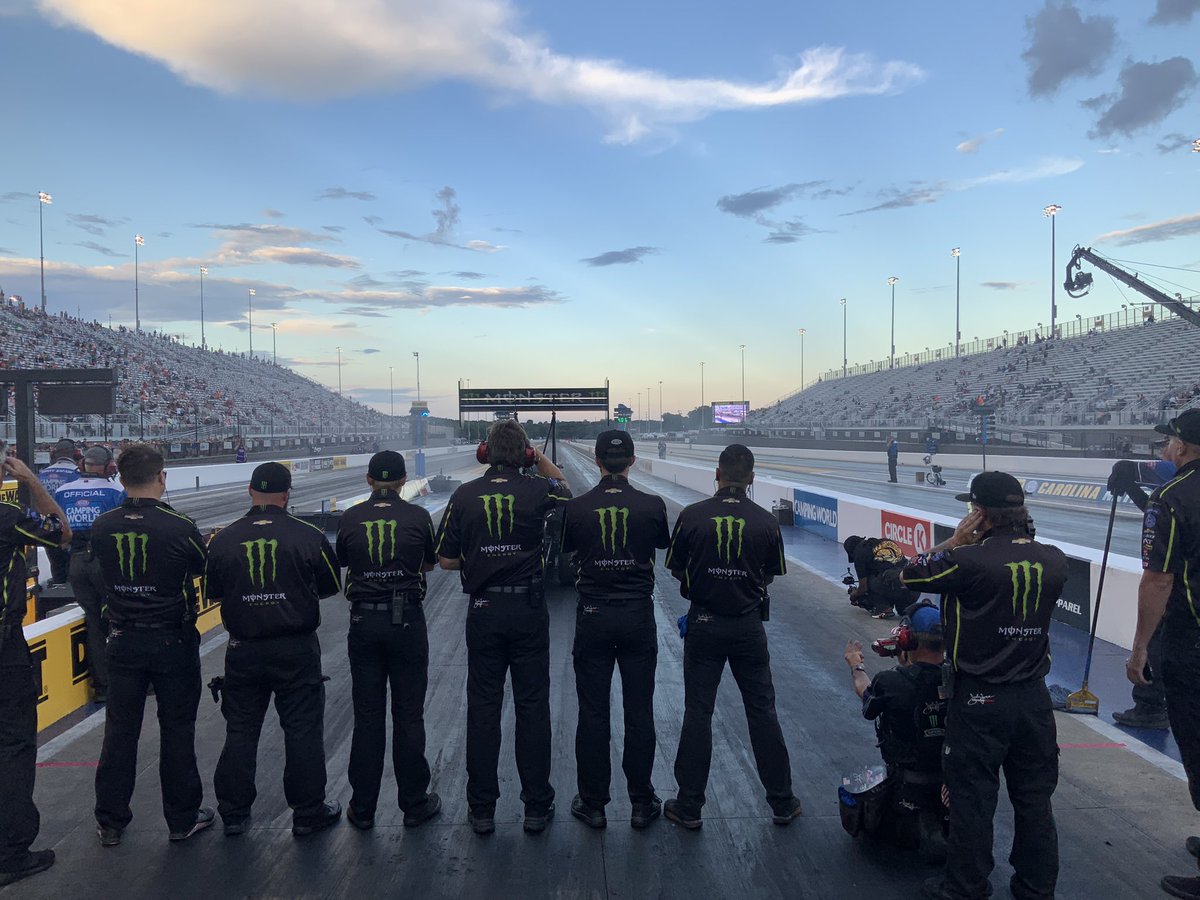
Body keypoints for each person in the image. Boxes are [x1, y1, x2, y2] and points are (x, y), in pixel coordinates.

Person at [901, 471, 1068, 900]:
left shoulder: (967, 560)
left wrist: (956, 541)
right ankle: (1036, 886)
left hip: (979, 699)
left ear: (978, 514)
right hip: (1034, 699)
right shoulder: (1054, 558)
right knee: (1035, 800)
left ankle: (966, 886)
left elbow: (909, 574)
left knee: (973, 798)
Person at [436, 419, 571, 835]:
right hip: (528, 610)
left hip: (484, 609)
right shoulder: (539, 489)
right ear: (526, 455)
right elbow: (567, 491)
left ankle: (481, 810)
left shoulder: (463, 495)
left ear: (485, 454)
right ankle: (535, 806)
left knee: (483, 710)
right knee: (532, 708)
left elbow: (445, 560)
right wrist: (540, 459)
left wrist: (481, 557)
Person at [663, 443, 802, 830]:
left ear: (717, 474)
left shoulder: (692, 516)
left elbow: (675, 569)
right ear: (752, 479)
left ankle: (689, 806)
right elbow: (771, 574)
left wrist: (705, 585)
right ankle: (782, 801)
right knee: (762, 713)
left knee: (698, 713)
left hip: (704, 624)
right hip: (748, 627)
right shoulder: (767, 522)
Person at [205, 462, 343, 838]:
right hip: (295, 648)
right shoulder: (309, 535)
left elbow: (214, 593)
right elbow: (330, 587)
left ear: (249, 491)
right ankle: (307, 812)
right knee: (301, 730)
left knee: (241, 730)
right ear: (287, 495)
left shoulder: (223, 539)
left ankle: (233, 814)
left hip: (243, 648)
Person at [88, 443, 213, 847]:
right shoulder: (180, 526)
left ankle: (110, 821)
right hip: (171, 637)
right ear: (162, 477)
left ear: (120, 479)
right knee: (177, 729)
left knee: (120, 732)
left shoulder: (103, 524)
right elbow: (203, 568)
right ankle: (181, 819)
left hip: (122, 638)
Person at [560, 430, 670, 830]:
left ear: (597, 461)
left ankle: (593, 803)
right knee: (639, 711)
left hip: (593, 614)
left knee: (593, 712)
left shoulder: (577, 508)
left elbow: (569, 550)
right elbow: (659, 543)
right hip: (638, 614)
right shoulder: (652, 505)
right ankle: (641, 801)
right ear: (633, 461)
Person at [335, 450, 441, 831]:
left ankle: (362, 808)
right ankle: (414, 804)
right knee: (408, 715)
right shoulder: (417, 516)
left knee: (367, 717)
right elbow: (428, 563)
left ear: (368, 480)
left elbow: (344, 560)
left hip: (363, 622)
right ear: (402, 481)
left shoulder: (349, 517)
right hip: (407, 621)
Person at [1123, 411, 1200, 899]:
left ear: (1185, 446)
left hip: (1191, 640)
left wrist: (1140, 646)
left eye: (1170, 440)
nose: (1166, 448)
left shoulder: (1171, 498)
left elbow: (1159, 578)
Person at [0, 455, 70, 889]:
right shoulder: (5, 516)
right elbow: (60, 533)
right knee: (12, 744)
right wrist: (31, 480)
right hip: (3, 647)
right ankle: (10, 853)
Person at [843, 602, 948, 862]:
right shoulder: (962, 679)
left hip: (907, 781)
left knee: (851, 795)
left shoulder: (890, 682)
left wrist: (857, 665)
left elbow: (867, 699)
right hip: (951, 782)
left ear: (907, 641)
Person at [1106, 452, 1177, 730]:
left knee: (1155, 641)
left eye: (1169, 442)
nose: (1164, 449)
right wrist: (1132, 487)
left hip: (1176, 581)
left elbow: (1136, 469)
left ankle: (1150, 705)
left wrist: (1127, 474)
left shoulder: (1175, 474)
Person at [55, 445, 126, 703]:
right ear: (109, 468)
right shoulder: (115, 490)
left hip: (76, 562)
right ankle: (126, 680)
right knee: (120, 618)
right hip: (105, 560)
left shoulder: (62, 491)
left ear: (82, 465)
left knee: (94, 621)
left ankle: (102, 686)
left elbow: (55, 530)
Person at [843, 534, 921, 618]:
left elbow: (863, 588)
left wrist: (854, 595)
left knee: (869, 581)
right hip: (913, 585)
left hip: (894, 584)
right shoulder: (886, 541)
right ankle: (918, 609)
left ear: (851, 552)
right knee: (903, 611)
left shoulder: (859, 554)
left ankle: (883, 608)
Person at [36, 439, 80, 586]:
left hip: (48, 525)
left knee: (56, 566)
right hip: (69, 524)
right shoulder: (75, 473)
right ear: (74, 453)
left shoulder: (43, 473)